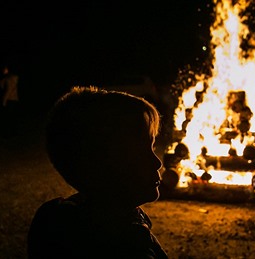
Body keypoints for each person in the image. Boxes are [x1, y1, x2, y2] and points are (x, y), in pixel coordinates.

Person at [27, 86, 168, 258]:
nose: (157, 162)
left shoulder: (57, 220)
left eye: (151, 147)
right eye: (139, 151)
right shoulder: (123, 246)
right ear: (99, 164)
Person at [0, 64, 20, 139]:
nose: (3, 70)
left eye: (5, 69)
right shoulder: (10, 78)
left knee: (8, 117)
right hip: (14, 99)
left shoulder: (10, 78)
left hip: (10, 100)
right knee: (12, 117)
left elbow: (8, 90)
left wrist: (4, 101)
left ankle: (8, 133)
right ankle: (12, 132)